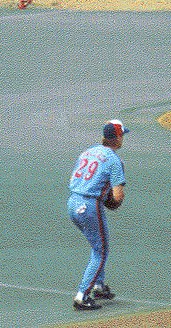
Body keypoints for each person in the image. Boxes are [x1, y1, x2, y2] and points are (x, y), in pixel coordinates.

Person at [68, 119, 129, 311]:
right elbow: (117, 196)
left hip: (72, 202)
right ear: (117, 138)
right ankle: (82, 295)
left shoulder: (88, 152)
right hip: (89, 206)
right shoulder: (114, 160)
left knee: (99, 246)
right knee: (100, 251)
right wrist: (113, 201)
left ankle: (99, 286)